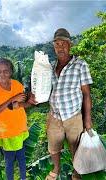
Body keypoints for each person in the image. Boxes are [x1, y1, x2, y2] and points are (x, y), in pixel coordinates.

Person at [45, 28, 93, 180]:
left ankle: (77, 172)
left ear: (69, 44)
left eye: (63, 43)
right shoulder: (50, 67)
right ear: (54, 47)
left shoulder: (80, 65)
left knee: (76, 148)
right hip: (54, 116)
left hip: (73, 116)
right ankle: (56, 168)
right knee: (53, 148)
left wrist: (87, 120)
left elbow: (86, 94)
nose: (60, 47)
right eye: (57, 44)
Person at [0, 58, 37, 180]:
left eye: (6, 71)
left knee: (22, 158)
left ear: (11, 71)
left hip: (20, 129)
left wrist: (31, 101)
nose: (2, 74)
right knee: (9, 161)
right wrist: (12, 99)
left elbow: (21, 105)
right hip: (5, 132)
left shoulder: (17, 85)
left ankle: (23, 178)